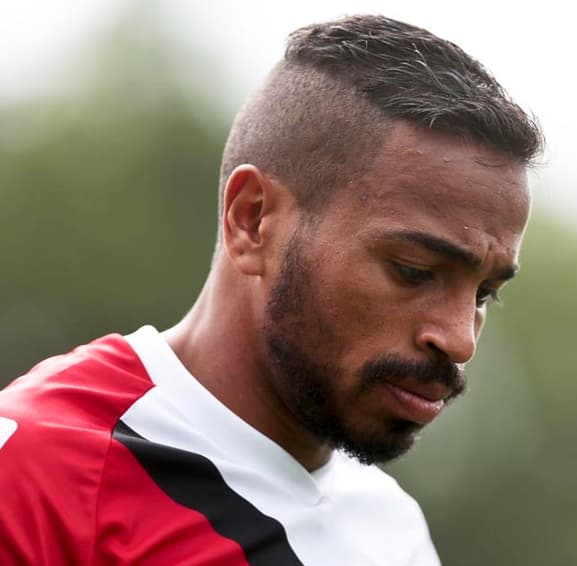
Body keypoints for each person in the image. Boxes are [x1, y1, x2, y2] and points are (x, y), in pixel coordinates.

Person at [0, 14, 542, 566]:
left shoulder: (393, 532)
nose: (459, 341)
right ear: (253, 220)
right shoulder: (36, 476)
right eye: (412, 270)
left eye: (483, 295)